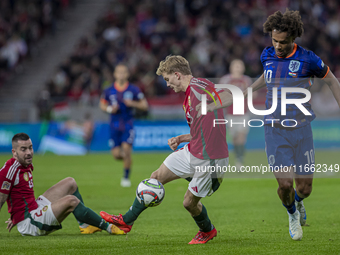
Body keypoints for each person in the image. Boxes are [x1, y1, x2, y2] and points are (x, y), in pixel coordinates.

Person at [205, 9, 340, 241]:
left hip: (302, 129)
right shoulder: (267, 55)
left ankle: (298, 203)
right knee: (285, 184)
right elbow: (264, 78)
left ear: (293, 38)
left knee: (304, 189)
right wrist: (229, 98)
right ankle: (291, 214)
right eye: (275, 40)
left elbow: (331, 80)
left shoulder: (308, 59)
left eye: (283, 42)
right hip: (274, 129)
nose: (278, 46)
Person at [100, 55, 229, 244]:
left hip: (211, 159)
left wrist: (210, 106)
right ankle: (126, 221)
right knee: (155, 177)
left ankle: (207, 230)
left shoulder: (197, 89)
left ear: (177, 75)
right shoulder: (194, 91)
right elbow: (200, 130)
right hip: (194, 150)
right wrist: (181, 138)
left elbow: (230, 95)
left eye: (168, 79)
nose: (168, 85)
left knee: (189, 203)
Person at [0, 133, 124, 236]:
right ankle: (109, 227)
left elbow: (18, 194)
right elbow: (1, 199)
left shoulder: (24, 163)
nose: (29, 152)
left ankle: (85, 226)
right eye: (23, 149)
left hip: (33, 209)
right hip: (30, 223)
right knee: (71, 201)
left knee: (70, 182)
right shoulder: (9, 171)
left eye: (30, 148)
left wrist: (15, 216)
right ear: (14, 152)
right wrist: (19, 218)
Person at [99, 64, 148, 187]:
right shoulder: (108, 90)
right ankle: (127, 159)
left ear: (127, 74)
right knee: (116, 155)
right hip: (114, 125)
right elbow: (102, 105)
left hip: (127, 124)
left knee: (126, 149)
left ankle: (126, 178)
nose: (121, 74)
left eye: (123, 72)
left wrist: (133, 103)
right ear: (115, 74)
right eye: (118, 72)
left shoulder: (133, 90)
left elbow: (144, 105)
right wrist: (110, 109)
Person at [219, 59, 253, 169]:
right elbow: (219, 94)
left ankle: (240, 161)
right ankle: (238, 157)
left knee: (241, 137)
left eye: (240, 66)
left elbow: (254, 94)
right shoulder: (226, 80)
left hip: (243, 113)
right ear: (231, 67)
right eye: (236, 66)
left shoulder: (246, 80)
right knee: (234, 138)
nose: (238, 68)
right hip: (230, 114)